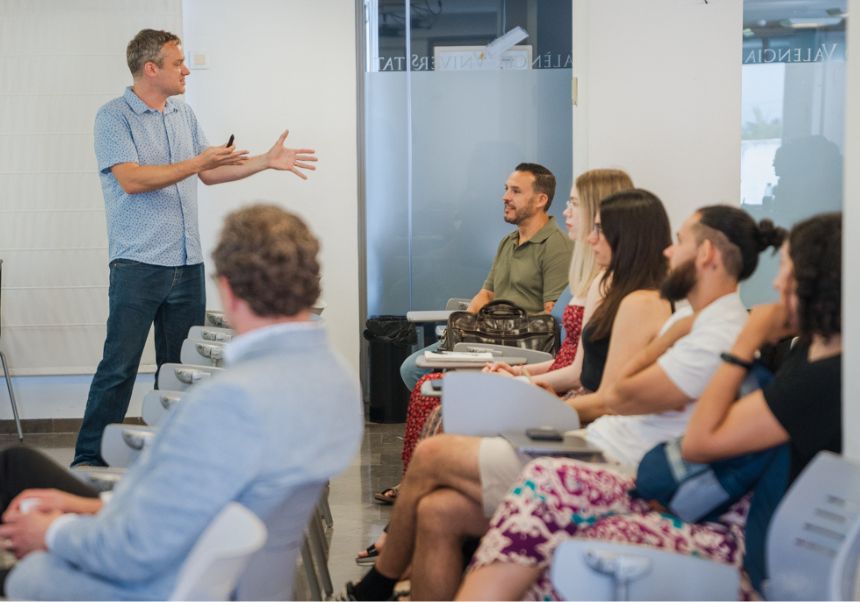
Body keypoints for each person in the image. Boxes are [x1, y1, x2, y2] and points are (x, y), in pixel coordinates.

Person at [455, 212, 839, 600]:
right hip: (728, 511)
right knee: (545, 494)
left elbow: (697, 442)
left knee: (556, 504)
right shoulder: (809, 353)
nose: (776, 283)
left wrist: (744, 344)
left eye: (787, 270)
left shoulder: (821, 377)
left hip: (749, 544)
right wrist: (676, 333)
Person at [0, 205, 363, 600]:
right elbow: (194, 502)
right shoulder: (337, 379)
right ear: (310, 282)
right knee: (20, 465)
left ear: (227, 289)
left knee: (26, 562)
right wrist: (86, 507)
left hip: (165, 580)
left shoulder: (226, 403)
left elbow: (137, 549)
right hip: (222, 560)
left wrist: (52, 532)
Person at [345, 188, 682, 600]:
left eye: (600, 230)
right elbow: (582, 372)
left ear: (628, 238)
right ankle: (394, 567)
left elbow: (608, 396)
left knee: (436, 451)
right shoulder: (612, 289)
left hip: (603, 449)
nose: (592, 239)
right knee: (437, 511)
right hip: (585, 423)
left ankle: (378, 581)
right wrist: (524, 380)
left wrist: (533, 393)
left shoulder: (640, 302)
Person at [72, 29, 318, 467]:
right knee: (119, 368)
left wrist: (264, 161)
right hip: (137, 264)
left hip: (185, 263)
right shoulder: (113, 118)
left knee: (179, 372)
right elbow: (132, 180)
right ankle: (88, 460)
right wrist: (199, 161)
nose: (186, 70)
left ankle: (174, 459)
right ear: (151, 69)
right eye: (177, 63)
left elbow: (210, 172)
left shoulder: (182, 114)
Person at [399, 163, 573, 391]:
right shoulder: (508, 242)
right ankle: (459, 419)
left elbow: (550, 317)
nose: (505, 197)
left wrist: (494, 331)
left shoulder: (556, 246)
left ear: (541, 200)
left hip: (518, 344)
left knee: (414, 369)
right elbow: (487, 293)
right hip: (489, 337)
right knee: (412, 367)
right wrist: (465, 327)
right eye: (506, 189)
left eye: (515, 191)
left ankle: (464, 420)